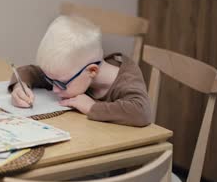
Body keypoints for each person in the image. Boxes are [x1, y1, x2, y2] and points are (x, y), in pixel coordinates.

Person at [9, 15, 151, 127]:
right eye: (51, 81)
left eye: (62, 84)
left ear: (92, 71)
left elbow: (141, 112)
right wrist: (19, 87)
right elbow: (27, 71)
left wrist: (92, 107)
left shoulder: (127, 81)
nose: (54, 90)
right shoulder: (74, 71)